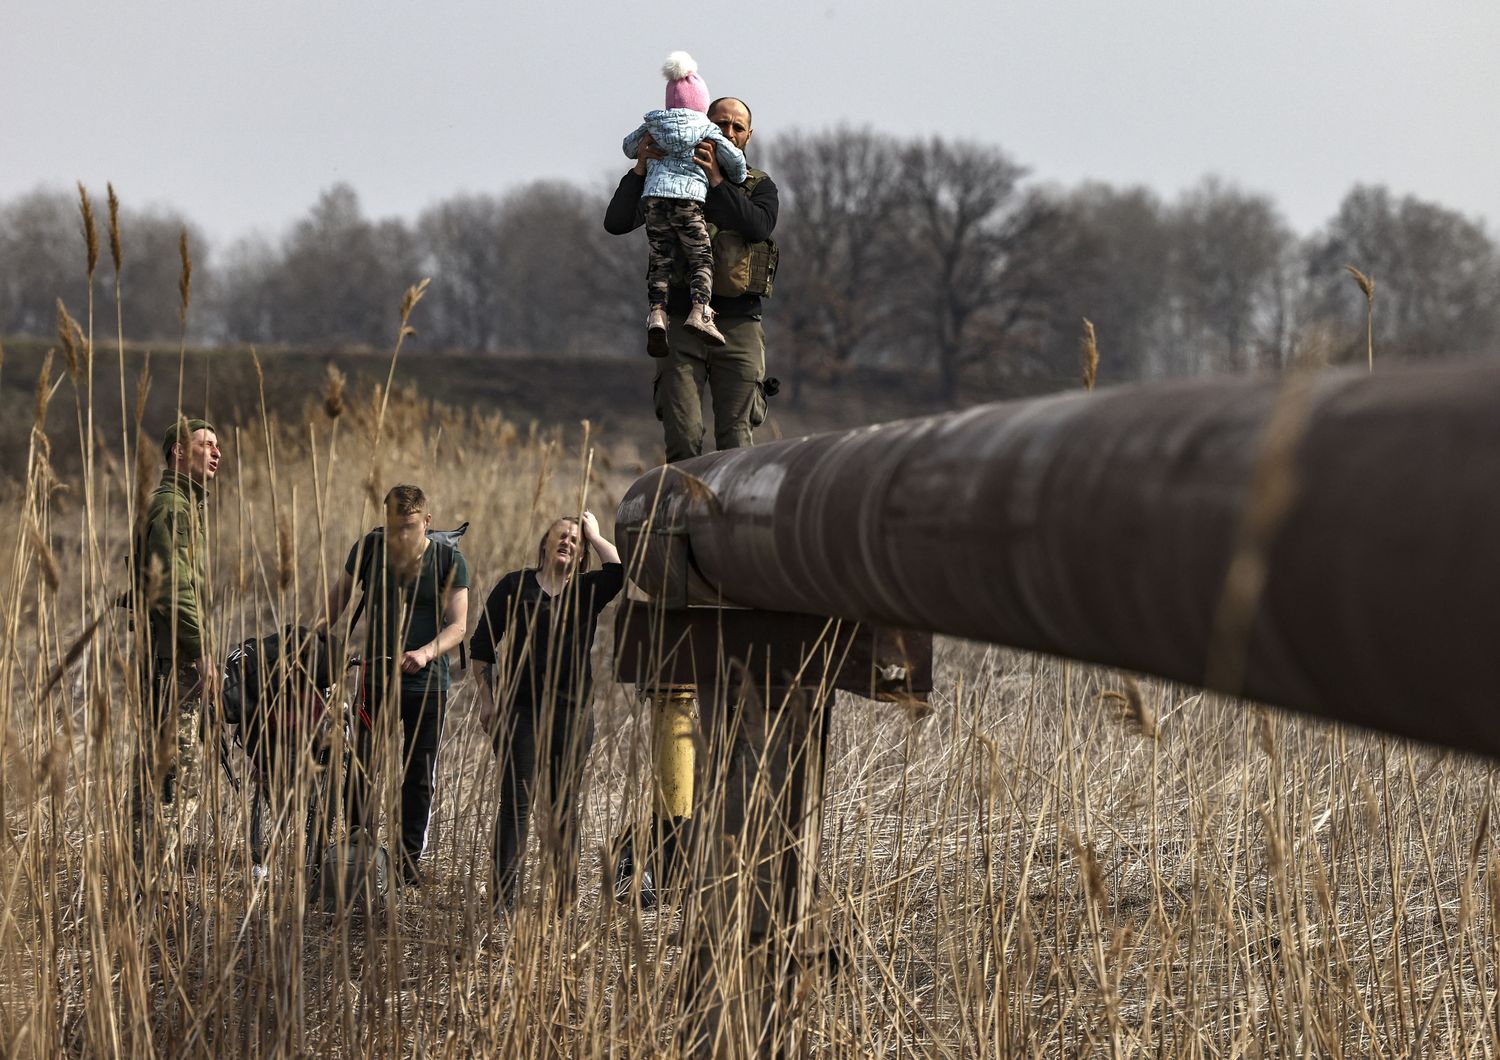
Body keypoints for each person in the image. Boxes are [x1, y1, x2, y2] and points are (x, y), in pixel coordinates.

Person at [605, 94, 780, 464]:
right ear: (703, 124)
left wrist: (716, 180)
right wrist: (640, 170)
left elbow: (757, 226)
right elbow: (616, 222)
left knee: (736, 440)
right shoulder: (666, 179)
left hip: (739, 326)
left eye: (738, 127)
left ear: (749, 135)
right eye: (720, 124)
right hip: (682, 324)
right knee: (683, 438)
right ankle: (679, 519)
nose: (729, 132)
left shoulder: (758, 185)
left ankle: (730, 519)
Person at [469, 512, 623, 915]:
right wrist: (488, 700)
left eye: (576, 539)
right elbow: (482, 647)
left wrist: (595, 533)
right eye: (562, 534)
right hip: (520, 713)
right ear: (545, 542)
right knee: (516, 805)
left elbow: (619, 571)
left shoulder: (588, 589)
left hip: (572, 715)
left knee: (563, 807)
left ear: (582, 552)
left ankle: (564, 900)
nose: (568, 542)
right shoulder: (514, 587)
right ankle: (502, 900)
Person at [323, 484, 469, 888]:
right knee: (362, 767)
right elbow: (336, 604)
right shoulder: (369, 550)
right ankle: (359, 852)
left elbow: (458, 626)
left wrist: (425, 652)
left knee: (419, 775)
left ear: (427, 521)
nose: (401, 536)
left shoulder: (448, 558)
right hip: (375, 679)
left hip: (427, 684)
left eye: (408, 527)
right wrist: (311, 641)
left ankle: (407, 862)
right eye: (393, 527)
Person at [130, 416, 223, 882]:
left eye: (217, 445)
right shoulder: (174, 508)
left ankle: (145, 875)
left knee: (162, 769)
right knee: (175, 775)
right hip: (172, 661)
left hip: (169, 657)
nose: (216, 453)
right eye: (206, 444)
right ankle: (151, 877)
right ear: (178, 454)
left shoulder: (184, 505)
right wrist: (202, 647)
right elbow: (173, 588)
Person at [622, 51, 747, 352]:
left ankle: (656, 314)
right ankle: (701, 310)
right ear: (702, 104)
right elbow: (737, 167)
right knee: (701, 258)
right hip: (689, 202)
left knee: (660, 258)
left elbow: (628, 147)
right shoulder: (706, 128)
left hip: (654, 201)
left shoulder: (653, 124)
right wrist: (734, 172)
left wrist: (643, 152)